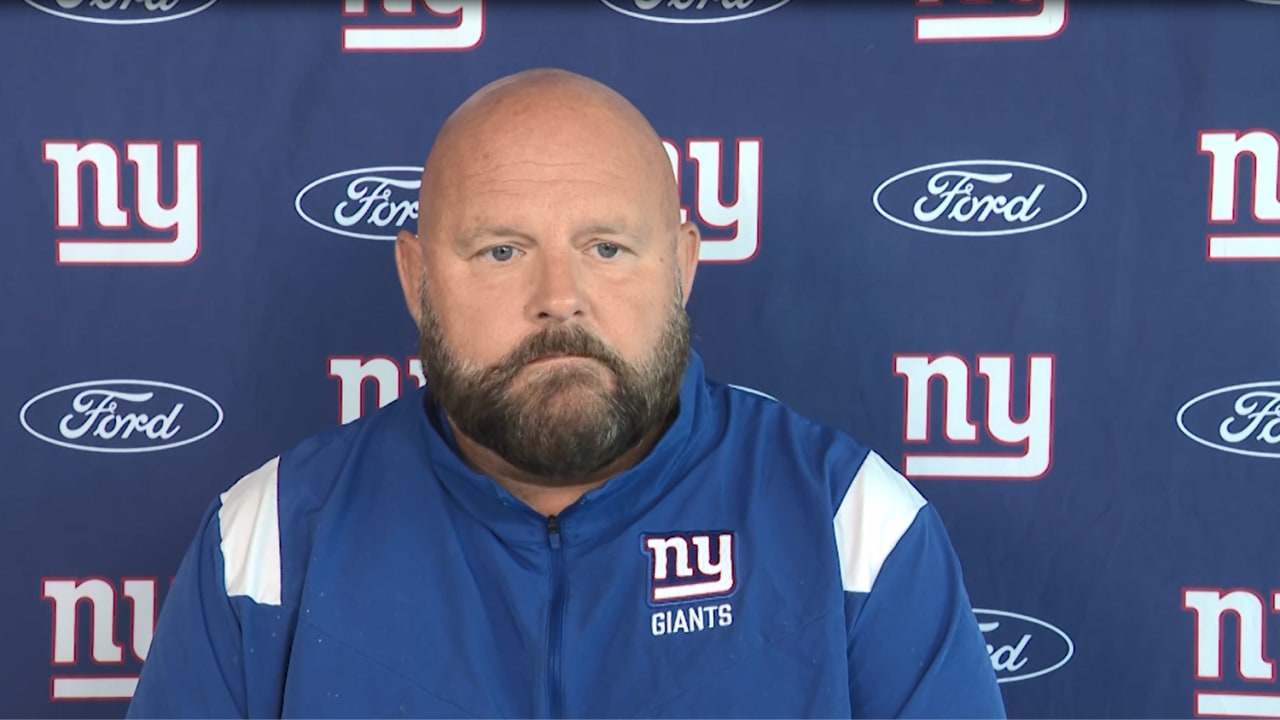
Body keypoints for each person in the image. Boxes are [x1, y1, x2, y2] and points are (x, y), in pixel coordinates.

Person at [127, 68, 1005, 718]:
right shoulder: (270, 544)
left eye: (608, 248)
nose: (560, 295)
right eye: (501, 250)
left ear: (685, 267)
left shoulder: (852, 527)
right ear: (414, 276)